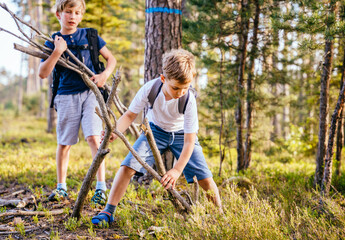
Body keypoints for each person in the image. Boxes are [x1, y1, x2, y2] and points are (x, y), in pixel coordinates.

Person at [91, 49, 222, 225]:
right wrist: (115, 131)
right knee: (127, 167)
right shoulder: (150, 88)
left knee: (205, 177)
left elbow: (190, 140)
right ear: (163, 79)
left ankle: (220, 215)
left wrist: (176, 170)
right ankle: (108, 211)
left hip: (183, 136)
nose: (180, 92)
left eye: (185, 88)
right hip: (156, 132)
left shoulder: (188, 98)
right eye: (176, 87)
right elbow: (130, 115)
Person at [38, 0, 116, 205]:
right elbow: (42, 73)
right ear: (59, 15)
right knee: (64, 143)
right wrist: (57, 51)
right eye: (68, 12)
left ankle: (101, 188)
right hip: (65, 95)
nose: (72, 16)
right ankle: (61, 188)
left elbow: (111, 59)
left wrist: (104, 75)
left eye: (77, 12)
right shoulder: (52, 41)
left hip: (91, 92)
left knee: (93, 138)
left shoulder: (90, 36)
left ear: (81, 16)